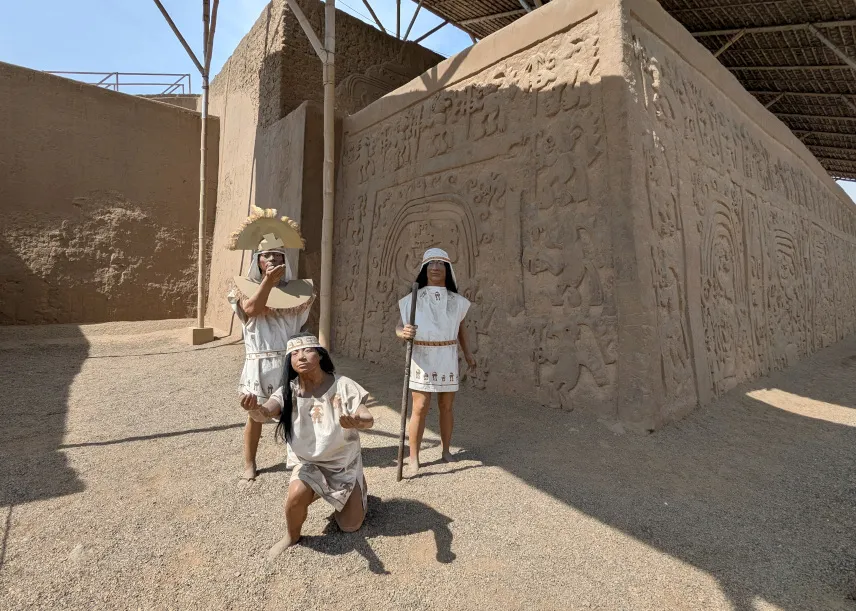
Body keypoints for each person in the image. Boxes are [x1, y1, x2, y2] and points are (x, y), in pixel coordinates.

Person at [240, 332, 374, 559]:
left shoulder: (343, 385)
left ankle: (358, 487)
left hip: (344, 465)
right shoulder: (287, 392)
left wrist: (358, 421)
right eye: (294, 353)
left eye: (307, 350)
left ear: (320, 356)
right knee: (295, 496)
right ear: (289, 361)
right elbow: (264, 414)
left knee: (350, 526)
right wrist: (253, 409)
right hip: (309, 464)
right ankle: (292, 535)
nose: (301, 357)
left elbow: (368, 418)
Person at [228, 226, 314, 481]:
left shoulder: (298, 293)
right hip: (259, 362)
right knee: (255, 416)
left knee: (295, 412)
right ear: (258, 261)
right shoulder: (243, 290)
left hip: (288, 360)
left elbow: (301, 328)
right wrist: (268, 281)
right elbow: (252, 309)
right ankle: (249, 462)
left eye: (278, 256)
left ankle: (298, 459)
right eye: (268, 256)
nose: (273, 260)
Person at [395, 248, 476, 477]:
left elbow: (461, 327)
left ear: (448, 269)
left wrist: (467, 352)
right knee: (419, 406)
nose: (436, 267)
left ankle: (446, 450)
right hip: (422, 355)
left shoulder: (457, 301)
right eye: (431, 263)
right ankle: (414, 457)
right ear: (424, 268)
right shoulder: (413, 297)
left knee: (447, 406)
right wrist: (403, 333)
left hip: (447, 355)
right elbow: (399, 326)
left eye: (441, 263)